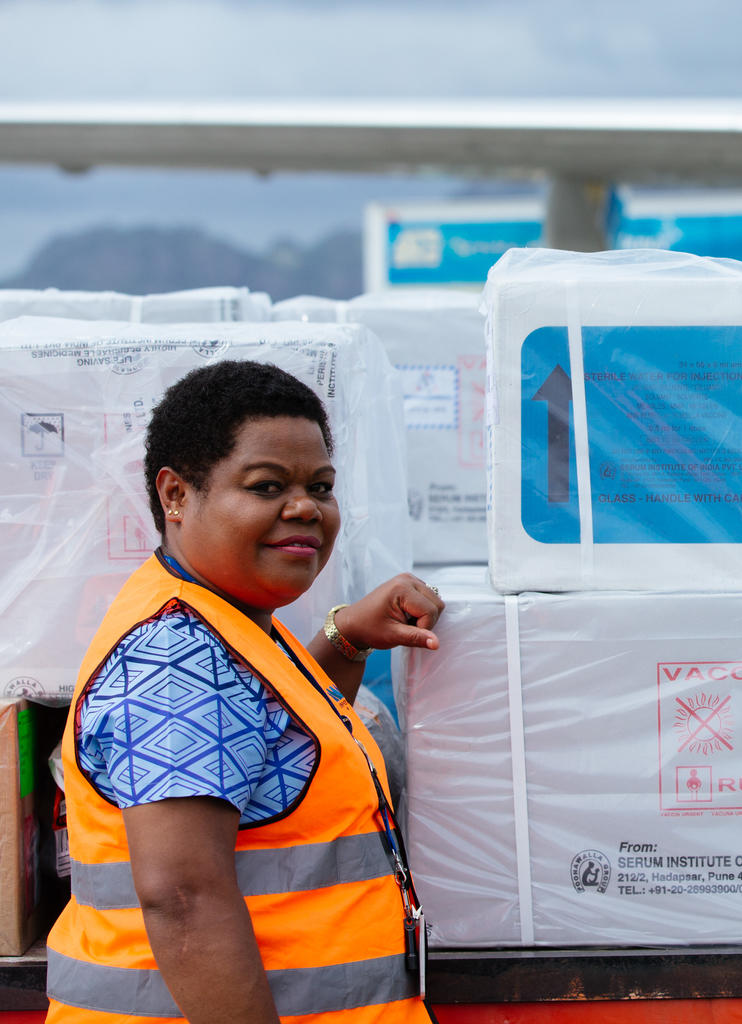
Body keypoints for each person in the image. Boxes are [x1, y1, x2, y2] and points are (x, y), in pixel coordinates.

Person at [46, 361, 445, 1024]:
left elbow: (277, 748)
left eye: (321, 486)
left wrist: (345, 638)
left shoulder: (232, 622)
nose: (305, 509)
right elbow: (184, 898)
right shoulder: (177, 659)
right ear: (176, 495)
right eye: (267, 486)